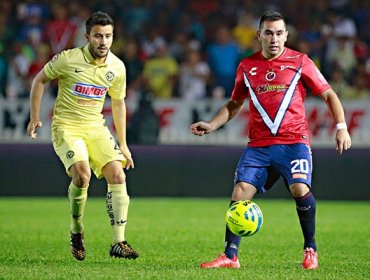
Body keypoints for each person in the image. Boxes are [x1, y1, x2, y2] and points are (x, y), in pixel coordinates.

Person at [191, 11, 351, 270]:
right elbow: (234, 104)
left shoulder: (301, 62)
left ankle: (310, 249)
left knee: (300, 189)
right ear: (259, 36)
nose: (274, 38)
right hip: (259, 146)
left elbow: (329, 95)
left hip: (294, 142)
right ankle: (230, 256)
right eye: (268, 33)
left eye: (279, 33)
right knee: (240, 192)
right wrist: (211, 124)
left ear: (286, 36)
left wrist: (341, 127)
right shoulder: (247, 66)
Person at [26, 11, 139, 261]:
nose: (103, 42)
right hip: (66, 126)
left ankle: (118, 242)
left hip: (95, 127)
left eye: (108, 36)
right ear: (87, 36)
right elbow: (39, 80)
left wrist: (123, 144)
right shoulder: (68, 59)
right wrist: (35, 116)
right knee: (82, 174)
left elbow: (118, 104)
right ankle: (76, 230)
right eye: (98, 36)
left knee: (118, 173)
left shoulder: (117, 67)